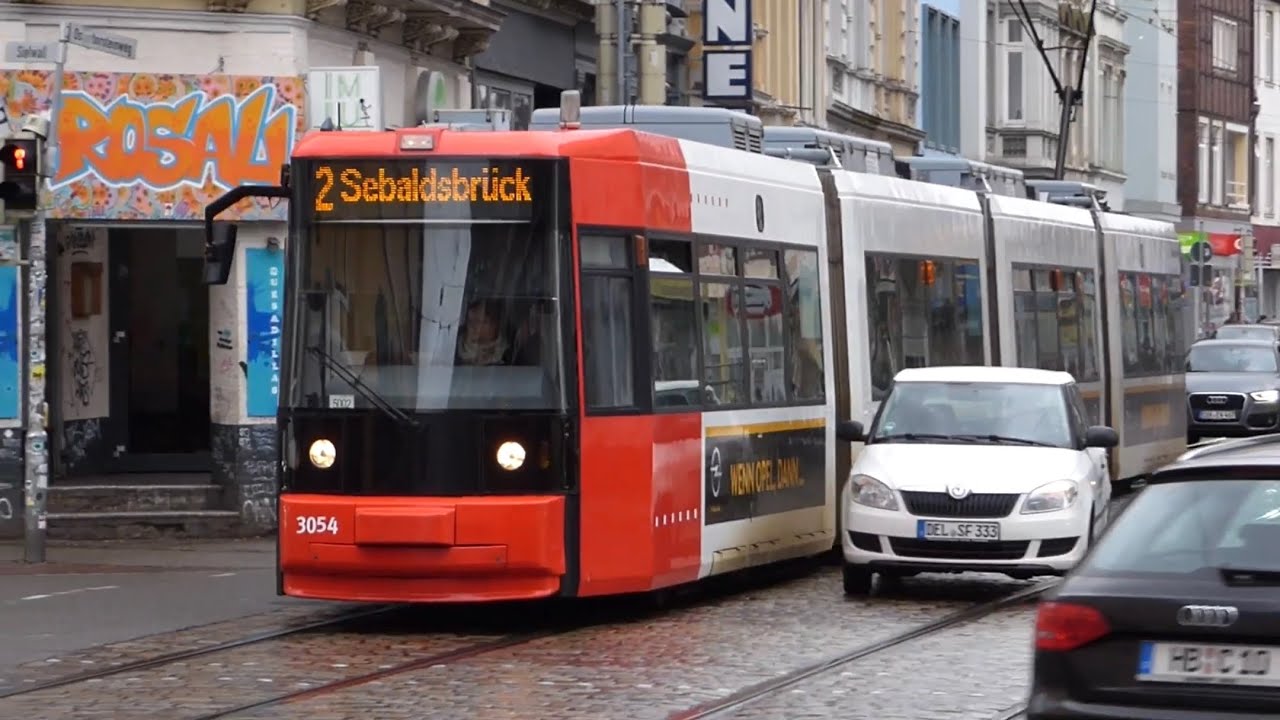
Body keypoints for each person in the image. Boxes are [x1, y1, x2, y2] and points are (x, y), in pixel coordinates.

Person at [456, 300, 509, 366]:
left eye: (478, 321)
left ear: (494, 325)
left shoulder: (508, 354)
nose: (472, 326)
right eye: (469, 320)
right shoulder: (454, 345)